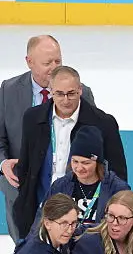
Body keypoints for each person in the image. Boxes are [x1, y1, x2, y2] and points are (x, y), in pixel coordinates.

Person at [11, 66, 126, 238]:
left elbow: (118, 173)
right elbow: (26, 165)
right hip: (39, 210)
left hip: (83, 214)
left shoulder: (103, 123)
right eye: (59, 94)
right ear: (50, 91)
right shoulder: (32, 118)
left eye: (71, 93)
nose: (65, 100)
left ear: (80, 90)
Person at [1, 35, 95, 239]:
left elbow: (94, 141)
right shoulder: (8, 91)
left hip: (68, 191)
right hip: (22, 191)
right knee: (25, 253)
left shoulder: (81, 93)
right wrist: (3, 164)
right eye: (47, 63)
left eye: (58, 61)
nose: (54, 67)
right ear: (29, 62)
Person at [40, 125, 130, 235]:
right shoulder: (60, 186)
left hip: (101, 247)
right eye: (75, 161)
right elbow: (41, 223)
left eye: (86, 163)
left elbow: (124, 228)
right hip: (66, 247)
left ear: (98, 163)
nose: (79, 168)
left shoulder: (117, 189)